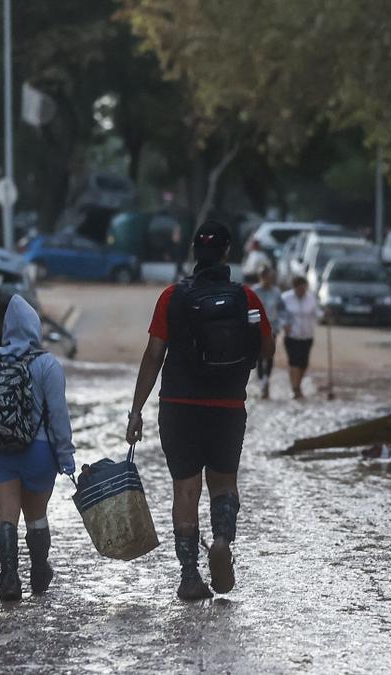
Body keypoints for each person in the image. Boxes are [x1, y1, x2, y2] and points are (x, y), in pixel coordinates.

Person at [126, 220, 276, 600]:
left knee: (185, 490)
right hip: (227, 407)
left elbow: (154, 355)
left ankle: (190, 575)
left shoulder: (172, 297)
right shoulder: (247, 299)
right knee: (223, 484)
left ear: (194, 253)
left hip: (178, 407)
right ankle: (222, 539)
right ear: (228, 253)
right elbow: (267, 350)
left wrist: (135, 411)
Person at [0, 295, 75, 602]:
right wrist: (66, 458)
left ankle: (9, 577)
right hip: (38, 454)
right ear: (35, 329)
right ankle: (39, 568)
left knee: (6, 516)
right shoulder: (47, 365)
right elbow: (58, 417)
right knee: (36, 515)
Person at [279, 275, 321, 399]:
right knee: (294, 362)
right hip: (292, 335)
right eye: (300, 288)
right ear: (295, 288)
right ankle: (295, 389)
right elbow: (280, 313)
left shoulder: (311, 298)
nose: (303, 290)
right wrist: (284, 324)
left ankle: (298, 384)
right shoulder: (286, 298)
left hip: (307, 336)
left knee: (304, 364)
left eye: (304, 288)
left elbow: (316, 312)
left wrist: (325, 314)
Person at [250, 265, 283, 399]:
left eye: (270, 277)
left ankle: (267, 381)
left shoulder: (276, 292)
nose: (268, 280)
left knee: (269, 355)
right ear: (261, 277)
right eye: (265, 277)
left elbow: (281, 309)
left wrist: (283, 324)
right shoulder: (255, 291)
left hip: (272, 327)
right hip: (257, 328)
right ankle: (262, 381)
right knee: (259, 355)